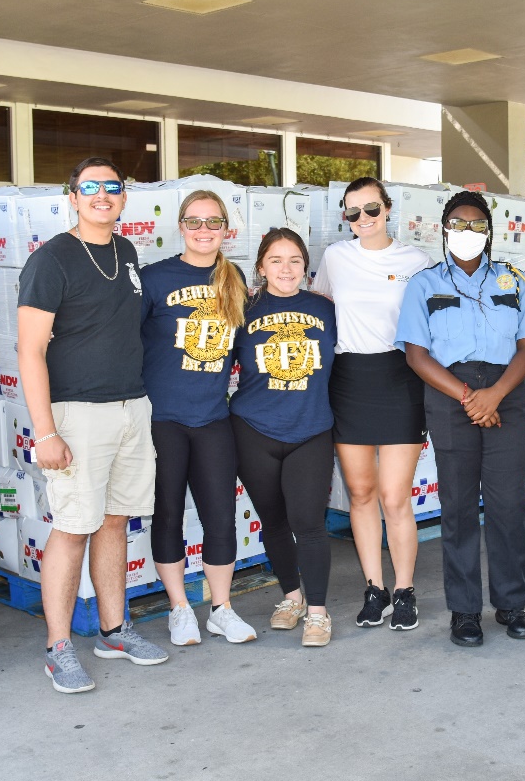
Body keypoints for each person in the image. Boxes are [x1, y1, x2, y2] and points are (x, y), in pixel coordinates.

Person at [17, 157, 168, 695]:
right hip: (76, 416)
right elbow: (30, 351)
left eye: (112, 187)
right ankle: (59, 648)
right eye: (90, 188)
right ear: (73, 196)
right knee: (73, 526)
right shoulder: (51, 259)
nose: (102, 195)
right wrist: (44, 432)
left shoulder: (126, 252)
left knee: (113, 522)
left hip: (131, 407)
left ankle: (113, 630)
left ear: (124, 198)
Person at [395, 190, 525, 647]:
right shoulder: (423, 284)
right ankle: (464, 611)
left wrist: (495, 394)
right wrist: (468, 396)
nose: (467, 233)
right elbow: (417, 355)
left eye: (477, 225)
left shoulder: (513, 281)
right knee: (458, 508)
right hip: (449, 395)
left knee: (507, 504)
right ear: (444, 230)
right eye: (458, 224)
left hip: (506, 394)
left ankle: (511, 604)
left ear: (490, 233)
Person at [313, 177, 433, 631]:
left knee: (394, 496)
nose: (363, 219)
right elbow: (319, 307)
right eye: (353, 212)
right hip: (348, 380)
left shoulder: (416, 261)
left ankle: (404, 591)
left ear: (388, 210)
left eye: (371, 209)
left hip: (400, 379)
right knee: (360, 494)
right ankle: (374, 589)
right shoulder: (335, 257)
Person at [140, 191, 255, 647]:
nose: (204, 230)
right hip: (162, 418)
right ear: (181, 226)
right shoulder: (154, 278)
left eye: (213, 222)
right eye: (195, 221)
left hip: (212, 417)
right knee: (167, 513)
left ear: (226, 228)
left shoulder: (235, 277)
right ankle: (179, 608)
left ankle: (221, 609)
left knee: (220, 517)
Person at [230, 228, 338, 646]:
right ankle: (291, 597)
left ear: (305, 267)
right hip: (253, 429)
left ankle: (317, 612)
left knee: (308, 522)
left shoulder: (325, 309)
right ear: (260, 267)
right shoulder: (242, 308)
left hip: (311, 428)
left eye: (294, 259)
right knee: (272, 520)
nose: (286, 268)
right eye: (276, 260)